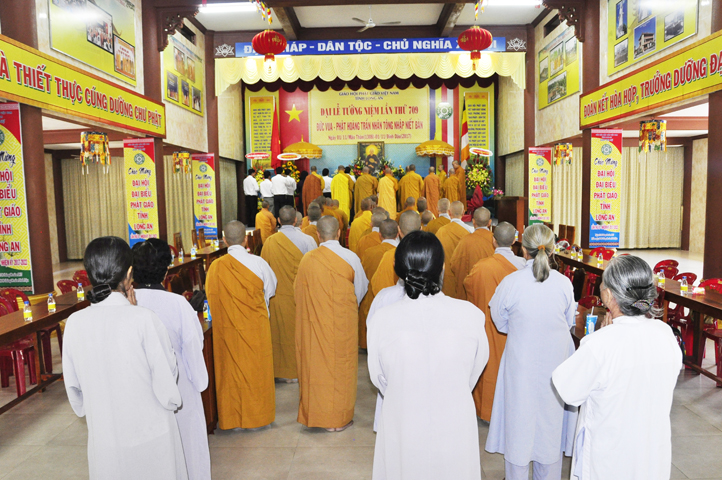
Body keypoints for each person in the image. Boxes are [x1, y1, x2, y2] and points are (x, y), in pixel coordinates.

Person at [62, 236, 188, 479]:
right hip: (152, 435)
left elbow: (76, 395)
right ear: (129, 273)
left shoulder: (75, 323)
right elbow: (167, 378)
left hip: (105, 439)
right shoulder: (144, 319)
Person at [367, 231, 489, 480]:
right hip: (453, 420)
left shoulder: (382, 320)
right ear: (442, 267)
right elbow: (474, 372)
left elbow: (379, 378)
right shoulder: (471, 315)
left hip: (403, 419)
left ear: (397, 269)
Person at [552, 256, 682, 480]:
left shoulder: (600, 344)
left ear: (609, 294)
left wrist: (600, 338)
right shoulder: (665, 333)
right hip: (651, 453)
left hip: (610, 458)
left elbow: (569, 391)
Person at [485, 224, 577, 480]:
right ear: (552, 250)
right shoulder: (564, 284)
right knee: (550, 427)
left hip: (520, 363)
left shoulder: (511, 282)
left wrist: (520, 330)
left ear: (523, 249)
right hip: (555, 364)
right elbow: (569, 321)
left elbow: (499, 321)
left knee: (519, 423)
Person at [133, 239, 210, 480]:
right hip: (180, 390)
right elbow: (193, 345)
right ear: (166, 270)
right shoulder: (177, 304)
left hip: (139, 391)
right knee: (188, 451)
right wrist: (199, 381)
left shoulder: (127, 304)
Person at [294, 215, 369, 431]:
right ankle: (339, 419)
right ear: (339, 233)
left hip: (315, 326)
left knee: (317, 368)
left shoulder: (308, 260)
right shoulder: (351, 258)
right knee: (342, 368)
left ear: (318, 235)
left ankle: (319, 416)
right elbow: (361, 289)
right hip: (342, 324)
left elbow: (298, 292)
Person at [206, 221, 278, 429]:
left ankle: (233, 419)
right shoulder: (258, 263)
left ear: (224, 240)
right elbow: (271, 290)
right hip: (255, 328)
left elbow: (211, 297)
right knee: (257, 372)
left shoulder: (215, 267)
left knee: (230, 373)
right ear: (246, 239)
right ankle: (258, 418)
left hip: (227, 330)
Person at [463, 222, 526, 422]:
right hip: (519, 331)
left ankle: (487, 411)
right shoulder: (524, 267)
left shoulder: (482, 267)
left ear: (493, 240)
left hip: (489, 327)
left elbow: (469, 287)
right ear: (514, 240)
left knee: (490, 368)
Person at [261, 207, 317, 382]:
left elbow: (264, 273)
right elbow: (314, 270)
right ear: (295, 221)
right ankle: (302, 369)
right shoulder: (308, 240)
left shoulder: (270, 242)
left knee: (281, 334)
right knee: (302, 333)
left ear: (278, 220)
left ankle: (282, 371)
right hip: (301, 296)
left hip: (278, 297)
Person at [358, 219, 400, 349]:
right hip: (396, 306)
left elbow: (363, 277)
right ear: (398, 234)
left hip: (373, 302)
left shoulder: (369, 253)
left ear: (380, 234)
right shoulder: (401, 253)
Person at [367, 211, 422, 309]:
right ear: (421, 229)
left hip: (397, 310)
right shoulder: (428, 255)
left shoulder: (391, 256)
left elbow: (378, 288)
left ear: (399, 230)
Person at [450, 207, 495, 300]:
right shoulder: (496, 241)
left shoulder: (465, 241)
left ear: (473, 221)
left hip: (469, 291)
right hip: (490, 290)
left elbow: (454, 264)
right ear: (489, 222)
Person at [436, 201, 471, 298]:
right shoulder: (469, 231)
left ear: (449, 212)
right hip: (463, 276)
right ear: (463, 213)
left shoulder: (441, 231)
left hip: (446, 276)